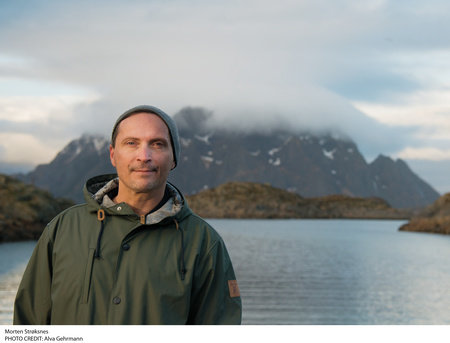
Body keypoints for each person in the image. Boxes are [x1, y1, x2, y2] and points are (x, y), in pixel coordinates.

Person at [14, 105, 242, 325]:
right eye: (131, 143)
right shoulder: (62, 229)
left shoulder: (204, 243)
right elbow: (29, 322)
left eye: (157, 144)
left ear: (173, 158)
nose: (144, 156)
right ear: (113, 155)